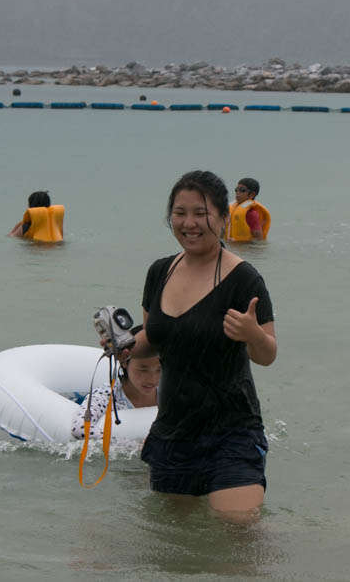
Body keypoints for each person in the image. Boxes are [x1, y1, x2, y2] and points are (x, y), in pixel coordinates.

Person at [126, 170, 276, 520]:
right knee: (176, 548)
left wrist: (252, 334)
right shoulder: (159, 271)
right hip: (173, 434)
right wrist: (123, 346)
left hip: (232, 432)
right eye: (180, 213)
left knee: (238, 536)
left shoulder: (244, 278)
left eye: (201, 213)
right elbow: (153, 340)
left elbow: (267, 354)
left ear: (224, 218)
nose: (189, 223)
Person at [71, 326, 160, 439]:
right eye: (143, 369)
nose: (152, 379)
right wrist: (129, 447)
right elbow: (80, 428)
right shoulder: (107, 396)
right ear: (124, 362)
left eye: (160, 369)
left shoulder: (170, 393)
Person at [226, 177, 271, 242]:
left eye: (242, 190)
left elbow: (259, 239)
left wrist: (239, 243)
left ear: (252, 195)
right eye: (236, 190)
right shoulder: (230, 209)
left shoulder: (252, 214)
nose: (237, 192)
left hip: (244, 249)